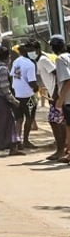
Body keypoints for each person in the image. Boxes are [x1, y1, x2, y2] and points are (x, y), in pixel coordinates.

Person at [10, 39, 40, 150]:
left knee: (18, 118)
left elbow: (13, 75)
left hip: (17, 94)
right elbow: (32, 82)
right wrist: (36, 88)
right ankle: (26, 141)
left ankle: (17, 141)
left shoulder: (16, 61)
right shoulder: (30, 64)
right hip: (28, 95)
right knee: (29, 118)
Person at [51, 35, 70, 163]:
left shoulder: (60, 59)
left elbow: (68, 80)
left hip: (68, 99)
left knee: (69, 127)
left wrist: (60, 99)